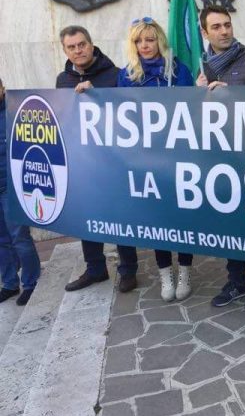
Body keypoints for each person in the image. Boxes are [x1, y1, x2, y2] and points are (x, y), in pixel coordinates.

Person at [197, 6, 245, 311]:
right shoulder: (202, 67)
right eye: (216, 27)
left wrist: (231, 97)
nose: (224, 31)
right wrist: (197, 95)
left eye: (227, 25)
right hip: (221, 161)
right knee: (231, 225)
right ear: (205, 32)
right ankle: (236, 280)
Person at [56, 26, 140, 293]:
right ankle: (95, 269)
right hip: (83, 160)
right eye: (71, 47)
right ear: (65, 50)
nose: (78, 50)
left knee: (119, 215)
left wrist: (98, 97)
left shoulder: (115, 74)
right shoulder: (63, 80)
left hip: (114, 160)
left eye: (82, 44)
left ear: (92, 45)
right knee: (88, 214)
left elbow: (127, 113)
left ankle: (128, 270)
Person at [117, 17, 195, 301]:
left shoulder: (178, 70)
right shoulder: (127, 75)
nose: (144, 45)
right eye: (138, 41)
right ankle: (165, 273)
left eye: (149, 39)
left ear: (159, 40)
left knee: (182, 216)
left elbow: (193, 108)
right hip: (147, 158)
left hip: (178, 155)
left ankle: (185, 269)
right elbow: (119, 113)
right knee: (158, 218)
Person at [0, 77, 42, 306]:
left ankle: (31, 282)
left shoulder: (17, 111)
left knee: (19, 238)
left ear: (2, 88)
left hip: (12, 187)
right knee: (2, 240)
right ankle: (9, 283)